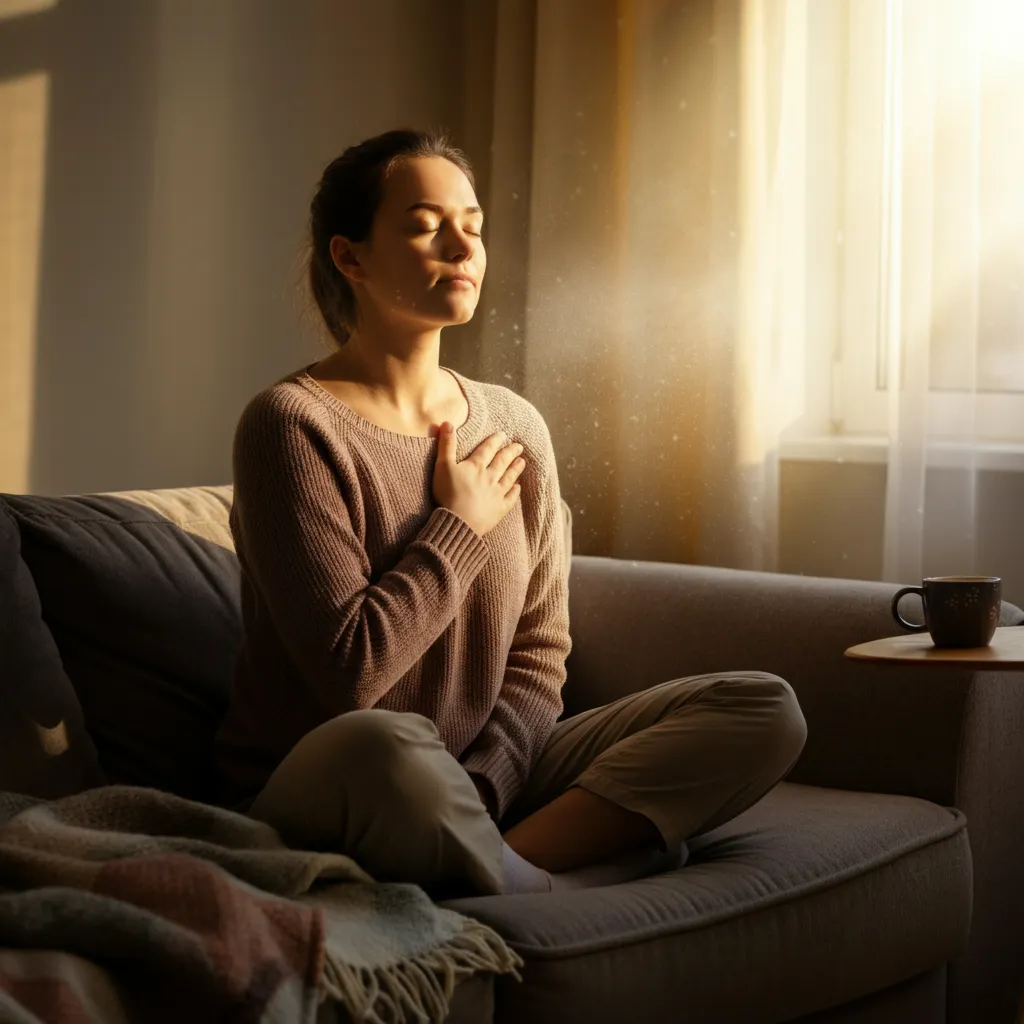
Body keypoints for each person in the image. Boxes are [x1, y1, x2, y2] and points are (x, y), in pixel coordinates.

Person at [213, 128, 807, 898]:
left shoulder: (514, 426)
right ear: (349, 257)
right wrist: (455, 531)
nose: (464, 248)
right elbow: (351, 680)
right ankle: (541, 881)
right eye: (428, 226)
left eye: (475, 225)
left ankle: (503, 863)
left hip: (489, 784)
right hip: (338, 777)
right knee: (385, 744)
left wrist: (489, 789)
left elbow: (539, 651)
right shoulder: (293, 425)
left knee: (763, 709)